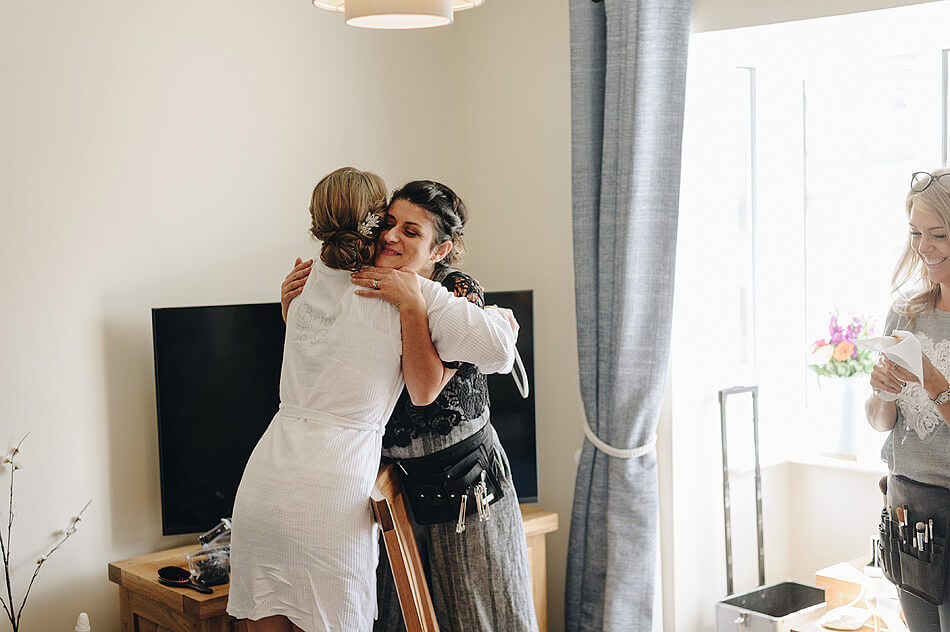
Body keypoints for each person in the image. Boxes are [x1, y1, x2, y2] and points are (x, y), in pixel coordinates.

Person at [226, 167, 516, 632]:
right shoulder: (409, 291)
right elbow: (500, 351)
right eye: (389, 223)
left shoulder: (313, 278)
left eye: (409, 230)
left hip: (263, 484)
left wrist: (291, 313)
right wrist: (502, 319)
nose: (392, 236)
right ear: (371, 221)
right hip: (330, 492)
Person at [867, 168, 950, 629]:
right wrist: (882, 392)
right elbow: (881, 423)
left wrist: (934, 381)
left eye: (939, 233)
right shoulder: (905, 311)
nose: (924, 247)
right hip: (908, 508)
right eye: (916, 233)